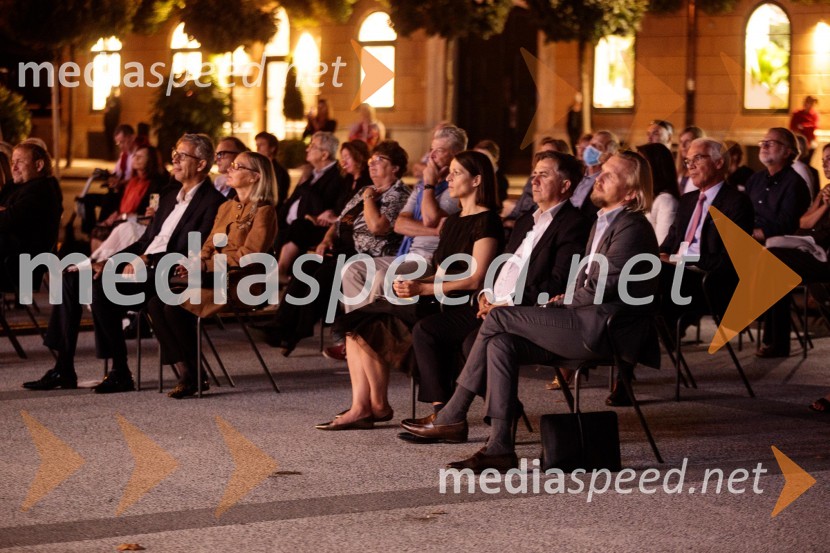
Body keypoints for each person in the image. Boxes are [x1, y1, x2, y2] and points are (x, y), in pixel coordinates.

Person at [400, 150, 659, 472]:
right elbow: (585, 283)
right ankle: (499, 447)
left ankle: (453, 414)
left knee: (499, 318)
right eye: (600, 171)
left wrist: (553, 301)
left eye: (610, 175)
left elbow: (599, 289)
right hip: (581, 317)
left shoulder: (631, 226)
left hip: (602, 328)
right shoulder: (604, 221)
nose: (599, 177)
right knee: (500, 342)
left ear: (632, 192)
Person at [22, 133, 226, 392]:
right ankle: (63, 368)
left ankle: (120, 370)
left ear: (201, 164)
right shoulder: (170, 195)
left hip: (168, 275)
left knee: (100, 286)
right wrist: (109, 260)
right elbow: (145, 242)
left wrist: (146, 260)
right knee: (73, 277)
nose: (173, 159)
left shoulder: (214, 202)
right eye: (174, 153)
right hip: (142, 265)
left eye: (182, 156)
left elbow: (194, 249)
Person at [316, 150, 503, 431]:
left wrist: (424, 288)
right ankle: (364, 406)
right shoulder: (452, 221)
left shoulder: (487, 221)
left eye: (456, 173)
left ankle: (440, 412)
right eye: (449, 172)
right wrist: (412, 286)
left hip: (463, 304)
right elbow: (439, 269)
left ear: (477, 180)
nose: (448, 178)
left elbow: (475, 279)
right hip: (436, 297)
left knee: (402, 326)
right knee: (355, 323)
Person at [403, 151, 590, 428]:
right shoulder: (528, 219)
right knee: (428, 330)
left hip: (525, 311)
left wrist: (509, 301)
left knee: (472, 342)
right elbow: (501, 267)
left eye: (545, 174)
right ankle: (442, 409)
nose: (535, 180)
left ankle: (467, 417)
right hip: (491, 305)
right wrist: (485, 294)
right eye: (534, 173)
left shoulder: (573, 223)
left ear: (565, 185)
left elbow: (559, 281)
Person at [254, 141, 411, 355]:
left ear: (396, 168)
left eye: (379, 161)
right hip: (343, 250)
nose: (372, 165)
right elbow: (340, 221)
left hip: (369, 256)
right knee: (305, 268)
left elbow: (378, 227)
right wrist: (326, 239)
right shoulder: (366, 190)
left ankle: (295, 331)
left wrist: (367, 200)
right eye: (371, 161)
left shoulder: (399, 194)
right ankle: (281, 324)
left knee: (324, 276)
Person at [146, 151, 279, 398]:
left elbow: (251, 255)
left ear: (254, 177)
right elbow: (208, 244)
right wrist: (195, 262)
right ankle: (187, 370)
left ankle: (193, 377)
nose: (230, 168)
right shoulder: (226, 207)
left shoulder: (264, 211)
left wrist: (206, 267)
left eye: (238, 166)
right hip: (212, 278)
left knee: (174, 308)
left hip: (242, 282)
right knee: (155, 303)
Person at [658, 138, 754, 348]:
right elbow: (669, 242)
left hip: (709, 280)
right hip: (676, 273)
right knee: (636, 267)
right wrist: (659, 256)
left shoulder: (736, 202)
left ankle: (647, 336)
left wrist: (678, 260)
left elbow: (730, 261)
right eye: (687, 160)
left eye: (698, 158)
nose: (690, 166)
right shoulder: (687, 200)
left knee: (648, 279)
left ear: (719, 163)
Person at [759, 143, 830, 358]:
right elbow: (804, 223)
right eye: (824, 159)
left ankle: (775, 339)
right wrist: (824, 203)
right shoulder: (825, 192)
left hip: (823, 256)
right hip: (808, 248)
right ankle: (774, 338)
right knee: (770, 261)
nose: (825, 163)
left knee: (772, 261)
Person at [276, 132, 344, 284]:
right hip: (290, 224)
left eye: (312, 146)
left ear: (324, 154)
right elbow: (291, 201)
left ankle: (281, 270)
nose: (307, 149)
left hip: (313, 227)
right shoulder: (311, 173)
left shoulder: (337, 176)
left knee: (298, 227)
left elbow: (322, 208)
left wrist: (306, 184)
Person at [89, 145, 167, 252]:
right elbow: (121, 204)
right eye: (135, 155)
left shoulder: (157, 184)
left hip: (136, 222)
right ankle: (96, 262)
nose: (136, 158)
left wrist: (124, 216)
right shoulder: (133, 181)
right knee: (98, 230)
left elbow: (150, 210)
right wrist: (115, 214)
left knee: (104, 233)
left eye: (141, 156)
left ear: (151, 160)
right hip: (122, 218)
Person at [0, 142, 63, 269]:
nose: (14, 168)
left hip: (20, 263)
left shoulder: (41, 190)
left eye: (20, 162)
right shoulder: (16, 185)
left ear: (39, 165)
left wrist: (6, 212)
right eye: (12, 162)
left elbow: (5, 220)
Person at [746, 128, 811, 243]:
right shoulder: (755, 178)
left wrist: (751, 235)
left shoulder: (795, 184)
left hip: (774, 248)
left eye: (770, 143)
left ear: (787, 152)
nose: (764, 147)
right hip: (746, 239)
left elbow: (788, 225)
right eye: (763, 143)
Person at [503, 137, 569, 230]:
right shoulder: (532, 180)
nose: (543, 158)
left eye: (548, 154)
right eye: (541, 154)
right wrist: (508, 220)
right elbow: (518, 209)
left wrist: (517, 225)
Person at [316, 140, 372, 228]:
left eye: (347, 157)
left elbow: (361, 217)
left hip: (351, 230)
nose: (343, 162)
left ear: (358, 157)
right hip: (336, 226)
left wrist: (336, 219)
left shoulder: (368, 182)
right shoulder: (346, 180)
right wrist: (330, 212)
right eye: (342, 158)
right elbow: (338, 206)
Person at [571, 130, 619, 218]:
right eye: (591, 144)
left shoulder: (606, 184)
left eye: (597, 146)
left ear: (608, 155)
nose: (590, 147)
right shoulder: (574, 173)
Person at [638, 142, 679, 244]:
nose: (637, 167)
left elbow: (662, 245)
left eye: (642, 163)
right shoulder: (643, 195)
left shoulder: (666, 201)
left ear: (656, 166)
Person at [255, 131, 291, 210]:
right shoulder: (256, 168)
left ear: (272, 148)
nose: (257, 148)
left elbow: (278, 198)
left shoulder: (280, 172)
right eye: (257, 145)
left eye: (262, 145)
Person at [475, 139, 510, 203]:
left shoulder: (501, 181)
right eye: (477, 157)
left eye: (485, 157)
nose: (480, 161)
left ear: (495, 158)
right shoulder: (474, 176)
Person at [675, 126, 705, 194]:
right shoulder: (679, 171)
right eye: (681, 141)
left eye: (687, 141)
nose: (683, 146)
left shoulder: (703, 171)